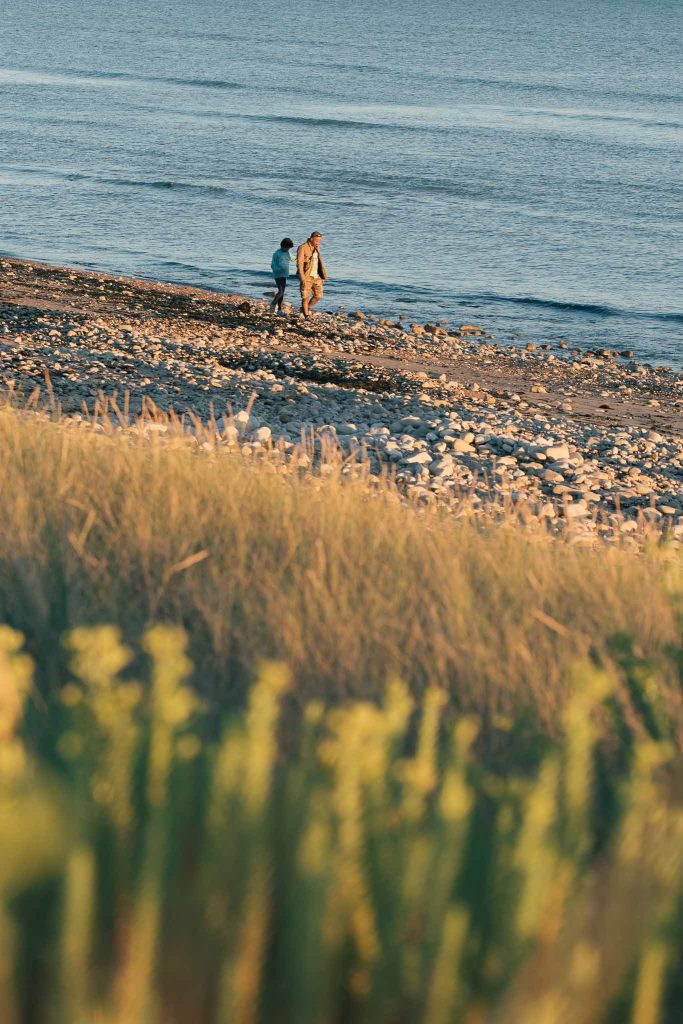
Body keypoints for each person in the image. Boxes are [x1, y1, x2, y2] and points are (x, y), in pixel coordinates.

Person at [296, 231, 327, 318]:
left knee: (318, 296)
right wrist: (302, 278)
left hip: (317, 276)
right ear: (311, 239)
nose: (318, 242)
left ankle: (306, 308)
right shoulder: (302, 247)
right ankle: (306, 314)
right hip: (306, 276)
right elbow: (299, 263)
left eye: (319, 240)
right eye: (317, 240)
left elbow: (319, 262)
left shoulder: (317, 247)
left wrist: (322, 275)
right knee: (305, 296)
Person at [270, 237, 294, 314]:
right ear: (282, 246)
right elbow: (273, 265)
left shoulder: (288, 253)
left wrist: (301, 257)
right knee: (280, 291)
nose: (287, 249)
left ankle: (279, 309)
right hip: (278, 275)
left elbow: (293, 258)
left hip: (284, 275)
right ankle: (273, 304)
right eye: (286, 248)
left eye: (288, 248)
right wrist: (278, 269)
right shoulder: (277, 253)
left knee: (282, 292)